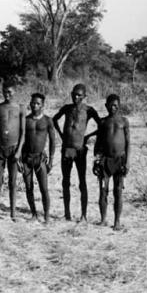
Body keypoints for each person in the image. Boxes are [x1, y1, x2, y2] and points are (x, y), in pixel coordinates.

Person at [53, 83, 101, 222]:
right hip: (66, 148)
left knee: (82, 182)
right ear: (71, 94)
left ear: (85, 96)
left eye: (79, 95)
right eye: (74, 94)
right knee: (65, 181)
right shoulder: (66, 109)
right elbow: (54, 119)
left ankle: (84, 215)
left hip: (80, 149)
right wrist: (61, 135)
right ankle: (67, 214)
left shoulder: (89, 110)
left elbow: (101, 125)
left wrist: (88, 136)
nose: (76, 97)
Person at [0, 80, 25, 221]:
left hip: (14, 148)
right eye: (5, 91)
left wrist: (19, 151)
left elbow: (23, 133)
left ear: (15, 91)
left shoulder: (20, 108)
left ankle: (13, 213)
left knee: (13, 182)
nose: (7, 94)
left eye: (10, 91)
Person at [93, 94, 130, 231]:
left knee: (118, 191)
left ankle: (117, 222)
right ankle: (103, 220)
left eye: (115, 105)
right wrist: (96, 161)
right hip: (105, 161)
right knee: (103, 191)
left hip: (119, 161)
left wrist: (127, 162)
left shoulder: (124, 121)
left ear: (119, 106)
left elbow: (128, 143)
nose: (112, 108)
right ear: (106, 106)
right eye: (110, 105)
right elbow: (98, 144)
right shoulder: (102, 122)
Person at [20, 93, 56, 223]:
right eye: (33, 103)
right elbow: (21, 139)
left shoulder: (47, 120)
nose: (34, 106)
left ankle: (46, 215)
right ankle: (34, 213)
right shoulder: (26, 120)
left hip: (40, 159)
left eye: (37, 103)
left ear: (43, 105)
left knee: (44, 188)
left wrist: (51, 159)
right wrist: (19, 158)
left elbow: (53, 140)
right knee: (29, 187)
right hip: (27, 158)